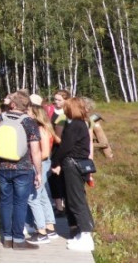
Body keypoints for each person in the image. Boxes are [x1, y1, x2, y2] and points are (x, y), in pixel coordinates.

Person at [0, 90, 43, 250]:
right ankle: (19, 240)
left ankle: (7, 238)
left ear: (13, 104)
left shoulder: (0, 118)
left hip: (3, 167)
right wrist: (39, 172)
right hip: (23, 168)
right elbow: (35, 150)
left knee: (6, 202)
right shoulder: (29, 121)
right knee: (20, 204)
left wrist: (0, 161)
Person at [51, 97, 96, 252]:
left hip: (73, 164)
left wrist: (55, 162)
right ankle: (81, 234)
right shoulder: (80, 123)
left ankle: (85, 236)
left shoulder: (74, 125)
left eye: (66, 107)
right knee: (74, 199)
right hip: (76, 164)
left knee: (76, 200)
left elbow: (65, 147)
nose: (64, 109)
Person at [25, 101, 59, 244]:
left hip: (40, 165)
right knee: (43, 196)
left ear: (35, 114)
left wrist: (31, 160)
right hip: (41, 164)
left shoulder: (41, 129)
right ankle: (50, 227)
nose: (26, 113)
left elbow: (44, 153)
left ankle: (41, 232)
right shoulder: (43, 128)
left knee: (33, 197)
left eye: (28, 112)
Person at [48, 89, 70, 214]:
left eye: (59, 100)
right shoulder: (50, 112)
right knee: (54, 177)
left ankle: (68, 204)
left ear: (66, 100)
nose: (56, 102)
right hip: (53, 148)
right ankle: (58, 207)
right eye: (55, 99)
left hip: (65, 147)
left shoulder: (68, 113)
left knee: (65, 176)